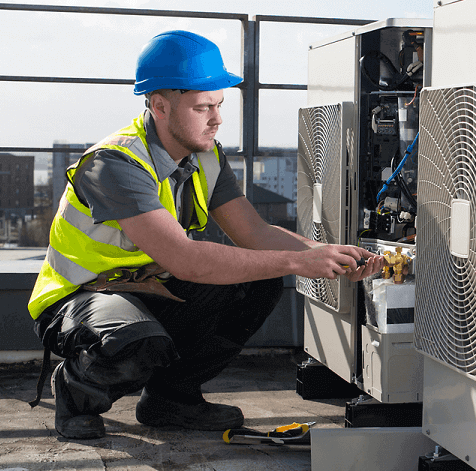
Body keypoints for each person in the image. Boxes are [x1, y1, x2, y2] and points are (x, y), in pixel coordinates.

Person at [27, 30, 383, 440]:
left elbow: (255, 232)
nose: (216, 119)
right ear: (159, 106)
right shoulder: (114, 164)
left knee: (259, 281)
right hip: (82, 297)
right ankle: (76, 394)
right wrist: (300, 261)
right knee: (137, 342)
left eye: (218, 105)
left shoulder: (206, 157)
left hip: (150, 289)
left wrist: (330, 254)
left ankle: (171, 399)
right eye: (202, 107)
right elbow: (187, 260)